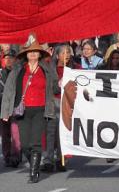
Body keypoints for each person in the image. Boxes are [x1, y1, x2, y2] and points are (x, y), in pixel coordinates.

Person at [0, 34, 59, 183]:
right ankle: (34, 161)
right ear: (26, 53)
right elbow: (9, 90)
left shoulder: (47, 68)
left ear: (40, 54)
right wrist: (5, 111)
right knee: (25, 144)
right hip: (22, 111)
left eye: (35, 51)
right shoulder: (19, 69)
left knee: (35, 142)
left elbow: (54, 88)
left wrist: (59, 81)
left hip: (41, 110)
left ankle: (34, 172)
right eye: (30, 51)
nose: (32, 53)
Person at [41, 44, 80, 173]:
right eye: (63, 53)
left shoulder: (74, 69)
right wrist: (59, 83)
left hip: (67, 104)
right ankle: (48, 160)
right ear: (57, 55)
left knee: (63, 133)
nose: (66, 55)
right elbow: (50, 88)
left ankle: (61, 159)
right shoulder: (50, 69)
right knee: (50, 132)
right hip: (53, 103)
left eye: (68, 52)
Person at [0, 49, 21, 168]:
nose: (8, 60)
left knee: (15, 133)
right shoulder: (0, 74)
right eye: (6, 58)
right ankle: (7, 156)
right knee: (5, 133)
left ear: (16, 59)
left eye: (11, 58)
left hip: (15, 106)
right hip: (2, 107)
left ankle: (16, 156)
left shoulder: (19, 73)